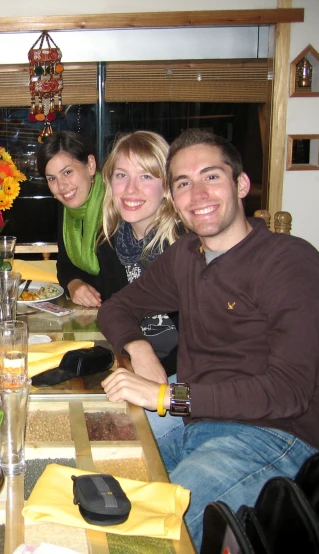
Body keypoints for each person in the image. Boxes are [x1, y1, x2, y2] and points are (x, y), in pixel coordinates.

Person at [98, 129, 319, 549]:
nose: (197, 193)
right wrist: (140, 349)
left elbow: (289, 391)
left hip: (272, 436)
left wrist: (169, 398)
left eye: (211, 177)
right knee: (94, 493)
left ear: (241, 185)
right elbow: (114, 307)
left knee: (150, 535)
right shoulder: (187, 255)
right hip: (196, 429)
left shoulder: (288, 260)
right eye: (183, 183)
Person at [100, 131, 182, 440]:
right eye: (122, 175)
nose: (130, 189)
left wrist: (158, 384)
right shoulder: (111, 241)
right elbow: (112, 308)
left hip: (181, 384)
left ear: (167, 186)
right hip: (135, 363)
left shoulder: (185, 246)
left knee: (115, 433)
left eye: (146, 176)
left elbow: (204, 361)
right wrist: (137, 350)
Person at [36, 131, 127, 307]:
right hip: (91, 315)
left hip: (126, 318)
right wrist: (74, 284)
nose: (61, 186)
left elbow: (124, 284)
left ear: (90, 165)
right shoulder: (68, 210)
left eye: (68, 172)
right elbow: (64, 264)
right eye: (52, 178)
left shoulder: (117, 209)